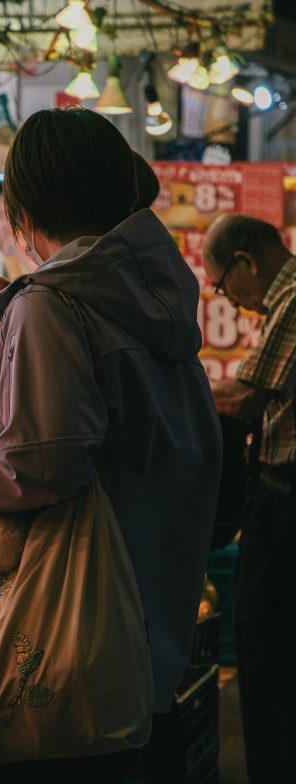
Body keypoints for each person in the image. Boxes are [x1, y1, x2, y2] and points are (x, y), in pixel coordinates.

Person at [0, 108, 221, 781]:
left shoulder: (53, 303)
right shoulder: (154, 290)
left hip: (66, 641)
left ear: (26, 204)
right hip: (151, 614)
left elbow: (39, 464)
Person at [202, 214, 296, 784]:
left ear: (246, 262)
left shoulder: (292, 298)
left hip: (287, 498)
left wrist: (174, 388)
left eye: (221, 285)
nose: (228, 299)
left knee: (268, 651)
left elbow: (246, 399)